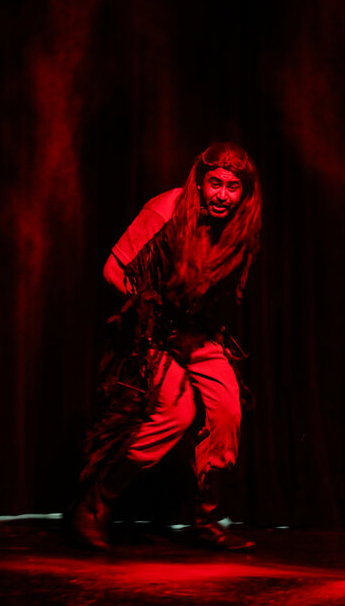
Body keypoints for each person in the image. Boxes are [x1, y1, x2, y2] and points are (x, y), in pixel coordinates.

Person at [74, 142, 262, 551]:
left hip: (197, 331)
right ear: (200, 182)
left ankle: (205, 517)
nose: (222, 195)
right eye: (215, 183)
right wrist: (144, 308)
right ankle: (96, 504)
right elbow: (113, 268)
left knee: (228, 411)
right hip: (153, 329)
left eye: (232, 187)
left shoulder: (240, 228)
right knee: (175, 415)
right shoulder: (166, 209)